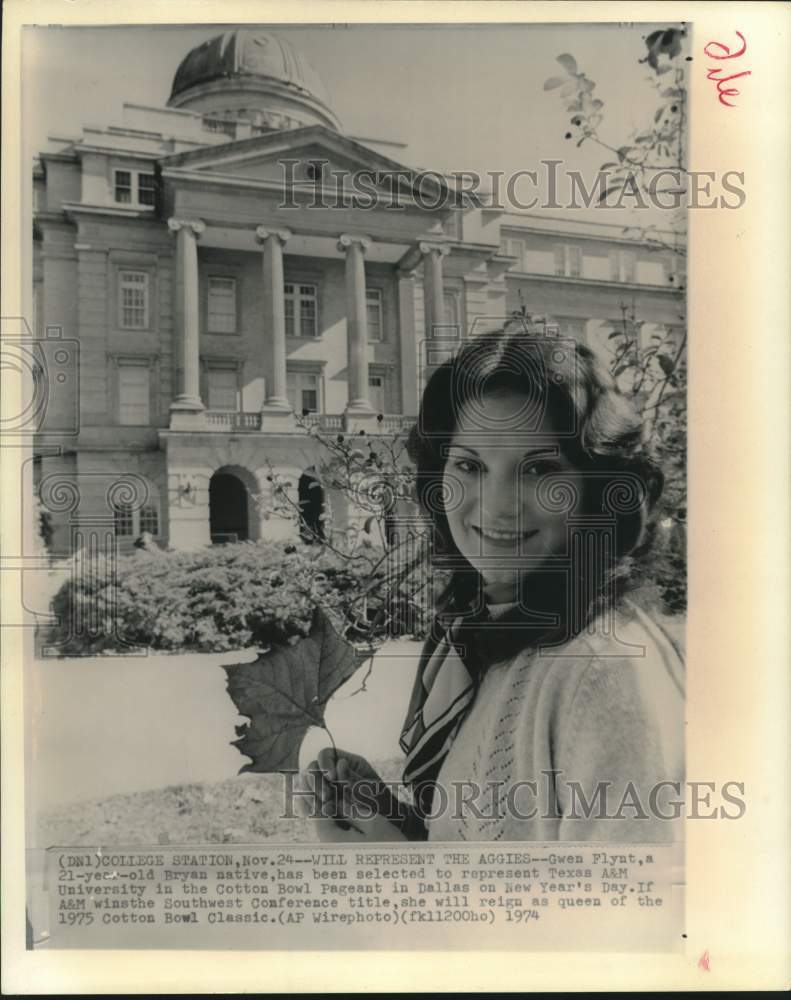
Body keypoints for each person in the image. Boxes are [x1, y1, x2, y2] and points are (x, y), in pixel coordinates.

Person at [303, 327, 684, 842]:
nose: (496, 504)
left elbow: (623, 916)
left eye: (540, 469)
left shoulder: (603, 673)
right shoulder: (488, 630)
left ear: (598, 490)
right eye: (469, 465)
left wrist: (396, 873)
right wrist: (398, 820)